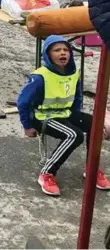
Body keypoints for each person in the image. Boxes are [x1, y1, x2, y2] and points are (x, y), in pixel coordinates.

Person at [17, 35, 110, 196]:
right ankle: (47, 173)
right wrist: (27, 125)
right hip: (43, 116)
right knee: (74, 135)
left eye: (66, 50)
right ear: (48, 54)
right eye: (57, 50)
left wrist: (77, 117)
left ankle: (92, 169)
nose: (63, 53)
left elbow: (77, 96)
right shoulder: (40, 76)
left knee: (96, 125)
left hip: (65, 113)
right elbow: (22, 102)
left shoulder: (73, 73)